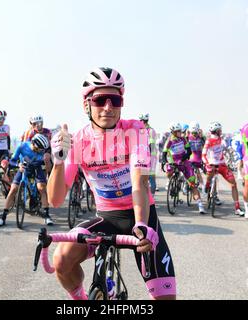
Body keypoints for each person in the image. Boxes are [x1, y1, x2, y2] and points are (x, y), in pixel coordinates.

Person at [47, 67, 176, 300]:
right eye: (99, 100)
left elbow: (139, 183)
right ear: (86, 104)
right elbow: (55, 200)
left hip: (142, 217)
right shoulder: (78, 140)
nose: (108, 107)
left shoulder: (136, 130)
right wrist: (57, 162)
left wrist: (141, 225)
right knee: (61, 260)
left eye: (114, 100)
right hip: (107, 217)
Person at [0, 134, 53, 226]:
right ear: (33, 143)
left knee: (42, 188)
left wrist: (47, 161)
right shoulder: (22, 146)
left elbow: (49, 169)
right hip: (23, 167)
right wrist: (18, 165)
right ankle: (3, 217)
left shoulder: (43, 151)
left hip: (37, 168)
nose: (40, 151)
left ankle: (47, 216)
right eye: (38, 149)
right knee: (13, 189)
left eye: (42, 150)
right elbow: (12, 160)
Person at [202, 122, 245, 216]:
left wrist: (234, 156)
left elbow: (228, 149)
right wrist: (207, 163)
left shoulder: (222, 140)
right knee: (209, 175)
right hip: (211, 164)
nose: (221, 131)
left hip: (222, 165)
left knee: (233, 184)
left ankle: (237, 208)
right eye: (220, 130)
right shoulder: (209, 141)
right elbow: (203, 154)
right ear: (216, 131)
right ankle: (206, 186)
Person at [162, 122, 206, 214]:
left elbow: (189, 151)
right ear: (173, 132)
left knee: (192, 182)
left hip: (183, 160)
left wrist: (184, 157)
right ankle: (171, 182)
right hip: (173, 161)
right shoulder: (169, 140)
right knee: (168, 172)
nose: (179, 132)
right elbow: (164, 153)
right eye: (177, 131)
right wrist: (164, 162)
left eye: (180, 131)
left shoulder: (183, 139)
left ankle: (200, 205)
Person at [139, 113, 157, 195]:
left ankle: (152, 197)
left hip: (151, 156)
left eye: (141, 120)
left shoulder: (151, 130)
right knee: (143, 176)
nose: (140, 122)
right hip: (143, 156)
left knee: (151, 177)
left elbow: (152, 145)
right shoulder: (140, 130)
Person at [187, 121, 206, 193]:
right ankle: (186, 186)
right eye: (193, 133)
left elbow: (205, 146)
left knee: (199, 173)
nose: (194, 134)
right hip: (190, 159)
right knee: (188, 172)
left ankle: (204, 188)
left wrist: (202, 137)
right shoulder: (188, 137)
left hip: (199, 159)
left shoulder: (201, 137)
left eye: (196, 132)